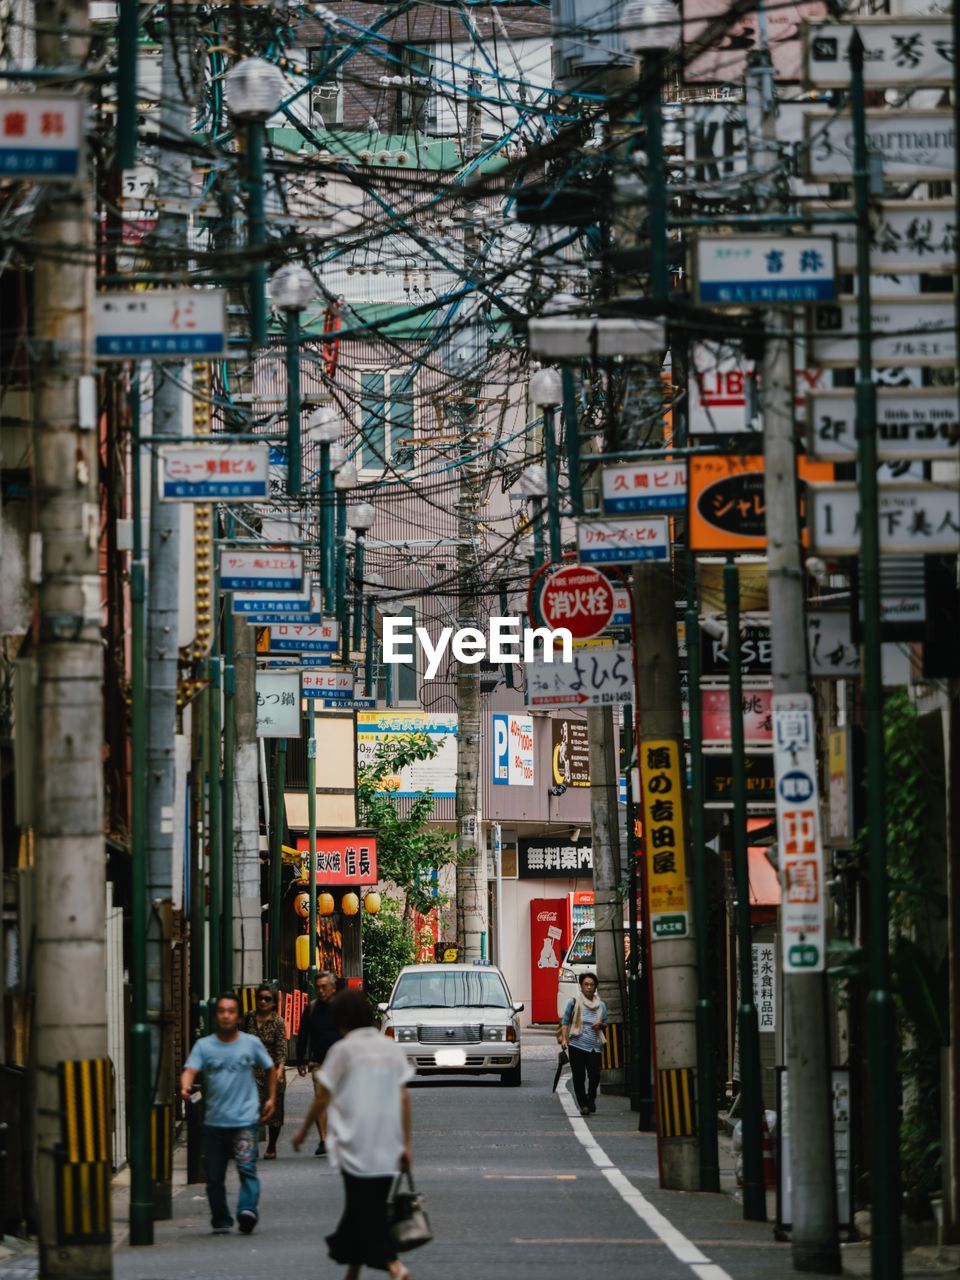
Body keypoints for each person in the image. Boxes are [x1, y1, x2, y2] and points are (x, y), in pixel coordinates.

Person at [292, 989, 414, 1280]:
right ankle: (352, 1272)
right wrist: (406, 1144)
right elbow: (403, 1098)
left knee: (364, 1210)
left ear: (341, 1019)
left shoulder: (343, 1051)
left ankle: (393, 1266)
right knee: (364, 1208)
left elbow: (322, 1096)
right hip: (388, 1143)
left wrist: (303, 1130)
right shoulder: (390, 1048)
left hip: (354, 1144)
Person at [180, 991, 276, 1235]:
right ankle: (221, 1218)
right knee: (214, 1176)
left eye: (231, 1011)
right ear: (215, 1016)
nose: (226, 1015)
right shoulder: (204, 1045)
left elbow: (270, 1068)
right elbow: (190, 1069)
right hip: (214, 1122)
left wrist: (271, 1098)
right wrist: (185, 1085)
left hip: (244, 1120)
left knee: (247, 1168)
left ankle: (247, 1210)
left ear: (238, 1017)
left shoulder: (250, 1043)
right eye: (222, 1011)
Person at [295, 969, 341, 1156]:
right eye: (319, 987)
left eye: (325, 987)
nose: (321, 991)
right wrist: (301, 1060)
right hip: (319, 1062)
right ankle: (324, 1139)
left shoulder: (343, 1007)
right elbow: (303, 1034)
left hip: (342, 1064)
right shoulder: (311, 1009)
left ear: (333, 987)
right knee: (321, 1100)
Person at [244, 984, 287, 1159]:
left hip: (271, 1071)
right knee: (251, 1110)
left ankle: (271, 1146)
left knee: (275, 1113)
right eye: (260, 998)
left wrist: (280, 1069)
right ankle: (251, 1145)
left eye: (267, 998)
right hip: (251, 1071)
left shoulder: (278, 1021)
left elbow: (281, 1049)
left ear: (273, 1002)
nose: (263, 1001)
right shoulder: (249, 1018)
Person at [560, 971, 607, 1117]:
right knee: (579, 1077)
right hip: (576, 1044)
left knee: (594, 1074)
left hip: (594, 1045)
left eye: (592, 985)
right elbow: (565, 1021)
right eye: (586, 984)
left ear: (595, 987)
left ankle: (591, 1097)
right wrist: (564, 1038)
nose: (589, 987)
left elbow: (605, 1023)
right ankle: (583, 1104)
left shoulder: (601, 1006)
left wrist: (600, 1024)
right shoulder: (573, 1003)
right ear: (581, 986)